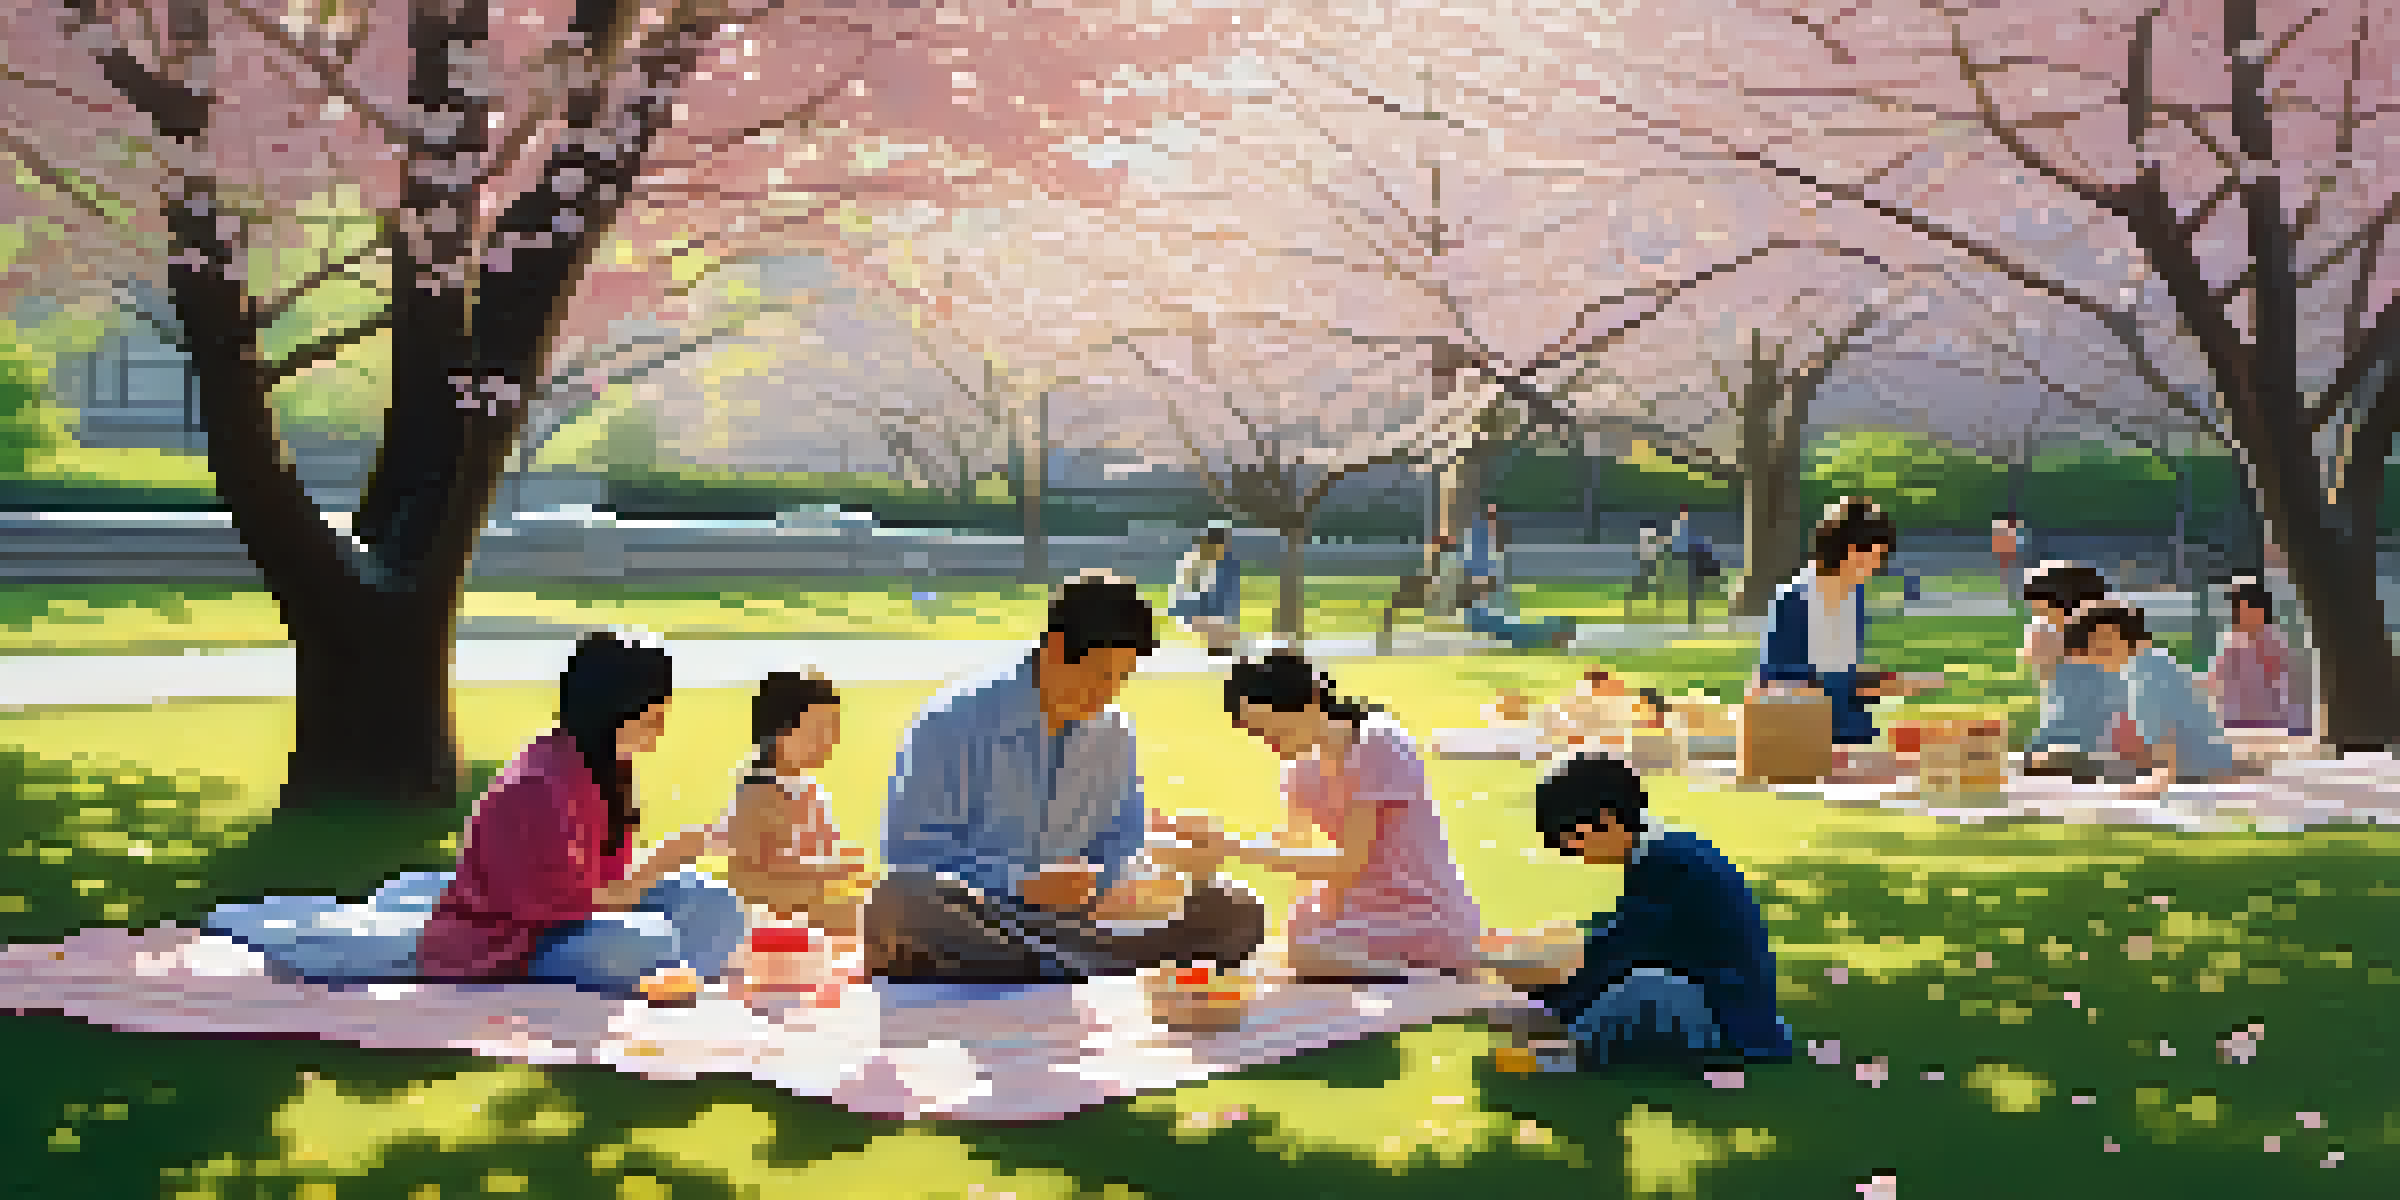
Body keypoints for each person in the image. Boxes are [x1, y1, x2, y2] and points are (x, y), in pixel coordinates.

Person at [863, 571, 1265, 983]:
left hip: (1078, 927)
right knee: (900, 898)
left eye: (1122, 679)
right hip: (984, 918)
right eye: (1100, 675)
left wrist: (1110, 884)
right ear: (1054, 650)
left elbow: (1121, 841)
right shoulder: (950, 723)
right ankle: (1061, 966)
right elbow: (910, 856)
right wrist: (1020, 885)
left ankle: (1047, 967)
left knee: (1234, 908)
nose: (1109, 694)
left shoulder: (1114, 734)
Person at [413, 632, 746, 996]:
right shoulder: (538, 787)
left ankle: (670, 976)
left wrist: (665, 863)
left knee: (714, 902)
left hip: (586, 924)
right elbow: (574, 908)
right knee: (643, 940)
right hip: (517, 944)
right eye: (651, 720)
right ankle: (663, 971)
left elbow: (610, 886)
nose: (660, 732)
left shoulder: (608, 768)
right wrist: (659, 864)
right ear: (613, 712)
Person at [1171, 653, 1483, 982]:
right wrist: (1206, 837)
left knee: (1306, 948)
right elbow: (1291, 851)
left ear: (1312, 702)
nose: (1269, 742)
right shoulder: (1299, 771)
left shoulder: (1377, 742)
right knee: (1299, 930)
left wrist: (1232, 847)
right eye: (1258, 732)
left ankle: (1420, 979)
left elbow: (1348, 863)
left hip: (1425, 908)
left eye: (1273, 727)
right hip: (1365, 902)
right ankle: (1393, 968)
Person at [1508, 753, 1792, 1069]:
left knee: (1643, 993)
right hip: (1716, 998)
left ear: (1606, 819)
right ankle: (1561, 1034)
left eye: (1573, 841)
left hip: (1728, 1018)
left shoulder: (1667, 864)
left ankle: (1561, 1054)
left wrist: (1547, 999)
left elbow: (1621, 953)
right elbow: (1624, 937)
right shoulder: (1661, 850)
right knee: (1632, 986)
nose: (1575, 855)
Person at [1755, 497, 1938, 764]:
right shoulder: (1795, 600)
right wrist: (1875, 684)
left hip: (1851, 733)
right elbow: (1778, 686)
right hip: (1802, 737)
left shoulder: (1856, 594)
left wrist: (1892, 683)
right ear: (1844, 550)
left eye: (1880, 557)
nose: (1876, 567)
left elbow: (1842, 673)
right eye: (1871, 556)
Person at [2061, 603, 2239, 799]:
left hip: (2203, 771)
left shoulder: (2143, 679)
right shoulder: (2152, 660)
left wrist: (2154, 783)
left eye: (2091, 649)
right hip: (2211, 762)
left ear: (2109, 636)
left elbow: (2171, 741)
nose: (2093, 660)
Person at [2020, 564, 2130, 777]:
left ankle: (2080, 760)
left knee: (2047, 757)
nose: (2034, 609)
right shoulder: (2052, 633)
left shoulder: (2056, 635)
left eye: (2037, 602)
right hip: (2072, 733)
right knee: (2045, 756)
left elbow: (2035, 654)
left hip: (2090, 736)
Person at [2202, 578, 2303, 733]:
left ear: (2259, 610)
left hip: (2268, 727)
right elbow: (2215, 684)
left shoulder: (2274, 642)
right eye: (2234, 609)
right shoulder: (2235, 643)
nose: (2235, 615)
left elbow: (2284, 693)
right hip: (2238, 726)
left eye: (2239, 608)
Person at [1171, 521, 1244, 656]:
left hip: (1217, 616)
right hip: (1199, 614)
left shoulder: (1228, 563)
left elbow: (1230, 596)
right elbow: (1185, 594)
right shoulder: (1194, 561)